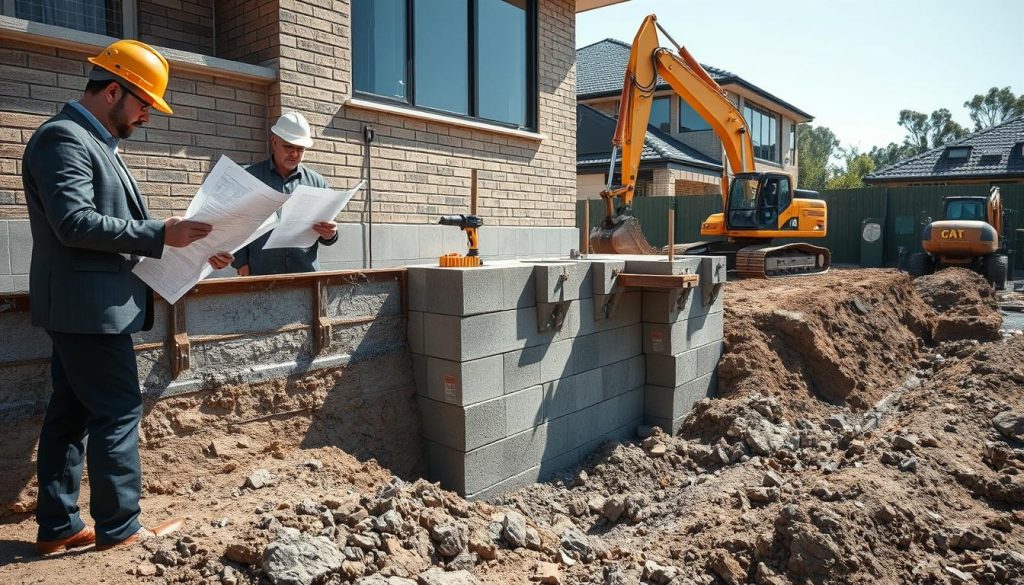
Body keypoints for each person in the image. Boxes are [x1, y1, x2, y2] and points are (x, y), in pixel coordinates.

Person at [23, 39, 232, 554]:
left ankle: (59, 526)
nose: (145, 117)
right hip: (89, 310)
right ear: (113, 89)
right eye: (143, 105)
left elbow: (112, 230)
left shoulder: (91, 142)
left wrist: (194, 249)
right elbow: (75, 224)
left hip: (84, 306)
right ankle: (120, 529)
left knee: (70, 413)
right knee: (117, 411)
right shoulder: (64, 139)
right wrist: (163, 233)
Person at [231, 112, 338, 276]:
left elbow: (326, 235)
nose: (294, 154)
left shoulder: (318, 183)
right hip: (260, 272)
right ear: (274, 142)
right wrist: (241, 262)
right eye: (288, 147)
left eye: (300, 149)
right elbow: (235, 224)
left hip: (305, 276)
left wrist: (331, 234)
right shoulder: (250, 178)